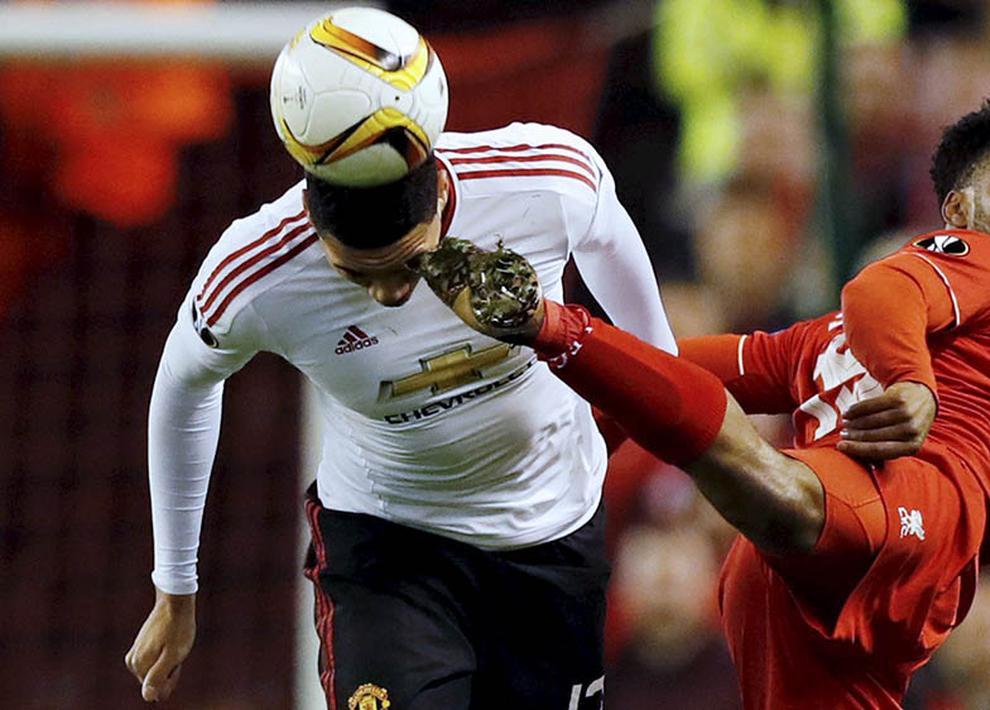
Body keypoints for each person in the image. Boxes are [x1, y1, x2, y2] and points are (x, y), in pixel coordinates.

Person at [428, 95, 990, 708]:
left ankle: (549, 336)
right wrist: (912, 383)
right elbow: (882, 291)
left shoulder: (820, 344)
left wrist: (558, 424)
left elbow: (675, 365)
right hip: (875, 514)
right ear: (959, 212)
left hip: (792, 586)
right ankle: (547, 322)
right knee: (778, 482)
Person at [123, 89, 677, 710]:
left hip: (554, 536)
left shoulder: (545, 180)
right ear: (312, 219)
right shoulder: (257, 271)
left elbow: (659, 353)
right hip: (389, 552)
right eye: (356, 273)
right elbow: (184, 384)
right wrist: (175, 586)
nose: (387, 295)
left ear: (438, 192)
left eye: (408, 263)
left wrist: (670, 444)